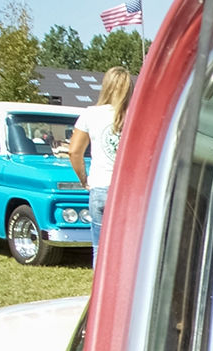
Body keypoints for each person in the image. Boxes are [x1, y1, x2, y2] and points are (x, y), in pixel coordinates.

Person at [67, 66, 132, 259]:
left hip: (101, 185)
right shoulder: (135, 115)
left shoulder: (90, 114)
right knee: (127, 249)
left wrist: (83, 178)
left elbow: (74, 151)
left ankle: (101, 288)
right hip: (128, 189)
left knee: (100, 249)